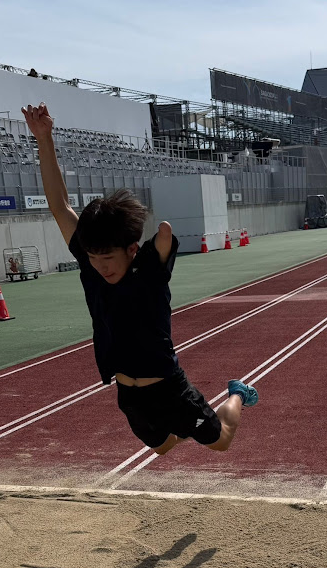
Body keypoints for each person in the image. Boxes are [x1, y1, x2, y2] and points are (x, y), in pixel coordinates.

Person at [21, 103, 258, 456]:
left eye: (107, 258)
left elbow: (163, 237)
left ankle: (238, 393)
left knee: (221, 440)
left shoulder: (148, 274)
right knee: (163, 448)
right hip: (129, 395)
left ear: (131, 249)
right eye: (93, 258)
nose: (100, 266)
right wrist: (44, 139)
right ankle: (185, 427)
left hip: (169, 390)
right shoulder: (91, 263)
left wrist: (160, 239)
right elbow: (60, 207)